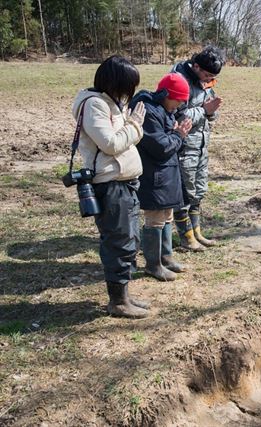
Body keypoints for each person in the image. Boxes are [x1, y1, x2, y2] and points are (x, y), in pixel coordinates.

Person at [71, 55, 148, 318]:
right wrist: (135, 126)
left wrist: (128, 123)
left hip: (124, 184)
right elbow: (111, 144)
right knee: (118, 242)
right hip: (111, 185)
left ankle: (124, 295)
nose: (130, 92)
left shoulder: (111, 103)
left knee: (128, 238)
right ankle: (117, 301)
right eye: (128, 86)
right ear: (116, 82)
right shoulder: (95, 105)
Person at [130, 74, 193, 281]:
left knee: (167, 216)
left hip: (167, 174)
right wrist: (178, 136)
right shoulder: (149, 112)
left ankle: (166, 257)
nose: (180, 106)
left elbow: (170, 144)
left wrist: (175, 136)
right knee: (155, 219)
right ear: (167, 94)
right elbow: (162, 147)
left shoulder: (164, 111)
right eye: (178, 100)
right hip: (154, 176)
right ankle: (153, 264)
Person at [171, 45, 225, 251]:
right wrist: (204, 110)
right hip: (184, 147)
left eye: (213, 77)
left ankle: (196, 232)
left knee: (198, 191)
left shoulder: (206, 82)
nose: (209, 80)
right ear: (195, 66)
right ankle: (186, 237)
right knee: (185, 193)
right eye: (207, 75)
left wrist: (211, 112)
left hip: (201, 146)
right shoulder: (178, 82)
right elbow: (178, 116)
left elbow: (211, 113)